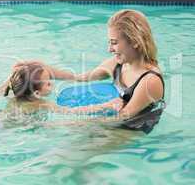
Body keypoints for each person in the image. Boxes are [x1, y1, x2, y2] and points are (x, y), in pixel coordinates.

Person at [13, 9, 165, 134]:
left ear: (135, 42)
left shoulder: (149, 81)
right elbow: (79, 78)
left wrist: (66, 123)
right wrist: (42, 68)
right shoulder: (116, 64)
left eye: (114, 43)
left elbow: (123, 117)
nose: (109, 49)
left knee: (67, 157)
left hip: (129, 130)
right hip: (110, 119)